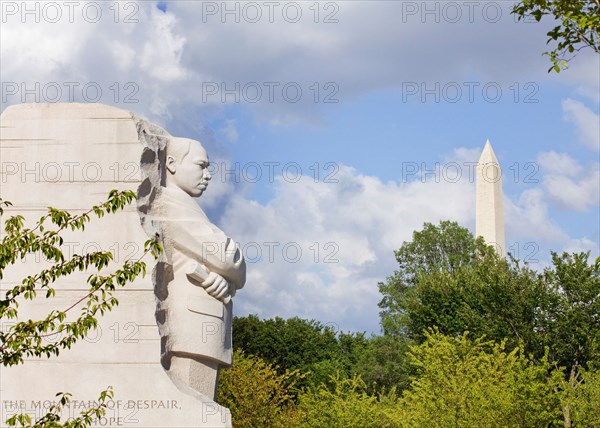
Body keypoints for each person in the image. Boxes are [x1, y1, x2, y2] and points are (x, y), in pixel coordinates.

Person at [153, 137, 246, 401]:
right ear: (171, 164)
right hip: (192, 326)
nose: (208, 175)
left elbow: (223, 267)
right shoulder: (170, 205)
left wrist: (225, 280)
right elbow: (227, 258)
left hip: (202, 324)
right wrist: (228, 271)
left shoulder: (188, 207)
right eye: (201, 166)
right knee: (192, 407)